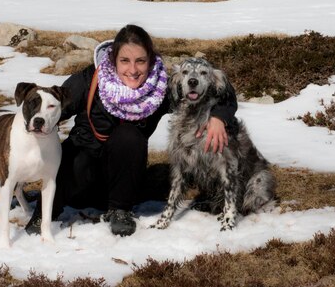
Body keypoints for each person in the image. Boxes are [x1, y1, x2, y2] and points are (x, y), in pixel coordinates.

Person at [25, 24, 238, 237]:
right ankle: (45, 212)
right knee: (77, 155)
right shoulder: (92, 78)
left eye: (141, 61)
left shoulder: (161, 86)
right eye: (125, 61)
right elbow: (53, 106)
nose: (133, 70)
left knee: (129, 137)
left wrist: (219, 117)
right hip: (78, 178)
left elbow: (221, 93)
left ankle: (120, 212)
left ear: (151, 61)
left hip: (123, 184)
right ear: (113, 60)